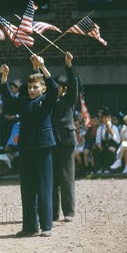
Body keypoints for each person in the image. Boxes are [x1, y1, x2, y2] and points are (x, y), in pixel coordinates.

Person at [0, 55, 58, 238]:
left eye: (35, 87)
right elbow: (7, 97)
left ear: (43, 89)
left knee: (44, 187)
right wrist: (4, 77)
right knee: (28, 188)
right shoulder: (23, 102)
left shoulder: (47, 100)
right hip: (25, 148)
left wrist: (42, 66)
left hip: (43, 148)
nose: (32, 90)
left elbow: (55, 88)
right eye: (30, 87)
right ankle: (30, 227)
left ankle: (46, 225)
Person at [51, 52, 78, 223]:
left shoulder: (68, 99)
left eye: (58, 86)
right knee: (52, 178)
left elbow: (74, 83)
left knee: (67, 177)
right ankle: (53, 213)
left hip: (66, 141)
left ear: (63, 88)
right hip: (51, 141)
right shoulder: (48, 100)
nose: (55, 88)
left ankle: (69, 211)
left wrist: (69, 66)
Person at [93, 108, 120, 174]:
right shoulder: (100, 128)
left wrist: (111, 132)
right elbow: (98, 139)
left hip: (112, 144)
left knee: (110, 150)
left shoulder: (114, 127)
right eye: (104, 118)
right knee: (95, 149)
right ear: (102, 119)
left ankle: (107, 168)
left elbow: (118, 141)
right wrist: (98, 145)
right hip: (103, 144)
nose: (106, 119)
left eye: (107, 118)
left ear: (110, 118)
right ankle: (99, 168)